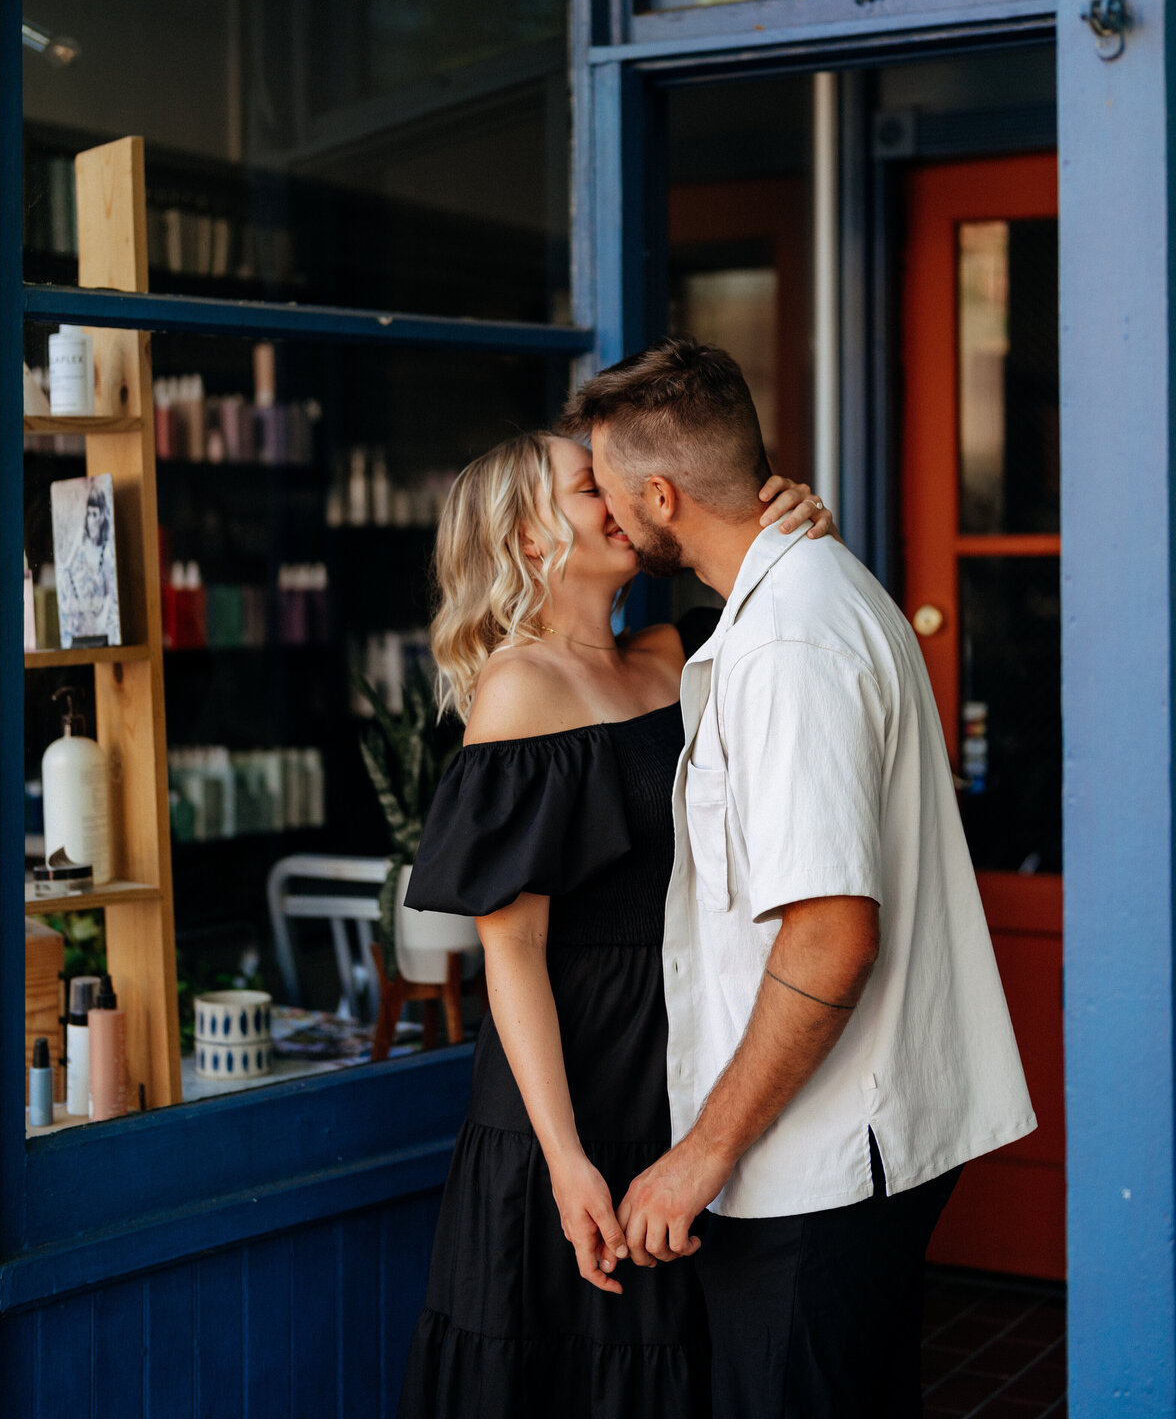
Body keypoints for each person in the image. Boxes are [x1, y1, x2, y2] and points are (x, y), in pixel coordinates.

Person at [563, 337, 1037, 1419]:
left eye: (607, 487)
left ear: (662, 494)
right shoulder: (815, 588)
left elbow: (830, 936)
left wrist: (700, 1156)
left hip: (818, 1161)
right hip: (842, 1149)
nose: (604, 510)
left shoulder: (786, 642)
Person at [396, 428, 834, 1419]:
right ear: (525, 535)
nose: (623, 500)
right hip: (575, 1081)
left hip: (683, 1058)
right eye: (592, 486)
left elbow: (800, 623)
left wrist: (797, 529)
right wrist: (565, 1161)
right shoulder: (518, 692)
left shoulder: (679, 647)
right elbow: (509, 954)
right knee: (569, 1368)